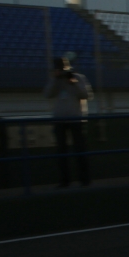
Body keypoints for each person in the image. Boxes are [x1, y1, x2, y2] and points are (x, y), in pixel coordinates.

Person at [44, 57, 93, 187]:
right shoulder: (55, 80)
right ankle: (64, 181)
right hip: (59, 120)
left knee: (80, 150)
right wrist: (55, 79)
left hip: (76, 119)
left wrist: (74, 82)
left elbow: (87, 95)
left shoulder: (79, 78)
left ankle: (84, 180)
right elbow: (47, 94)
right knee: (61, 152)